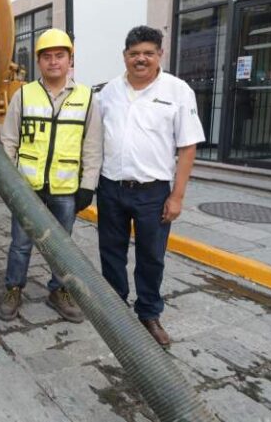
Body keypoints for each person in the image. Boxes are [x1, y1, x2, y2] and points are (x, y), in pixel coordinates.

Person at [97, 26, 204, 347]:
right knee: (111, 252)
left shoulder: (178, 91)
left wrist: (177, 196)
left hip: (153, 192)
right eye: (134, 54)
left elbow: (188, 147)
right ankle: (116, 307)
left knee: (152, 256)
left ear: (160, 54)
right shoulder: (108, 92)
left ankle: (149, 313)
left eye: (148, 53)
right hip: (111, 187)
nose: (140, 59)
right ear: (124, 56)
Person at [0, 28, 102, 323]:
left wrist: (88, 186)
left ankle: (59, 291)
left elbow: (92, 146)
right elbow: (9, 141)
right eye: (47, 56)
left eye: (59, 55)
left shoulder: (86, 98)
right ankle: (13, 289)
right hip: (27, 189)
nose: (53, 61)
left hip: (65, 188)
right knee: (20, 244)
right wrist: (11, 184)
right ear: (38, 61)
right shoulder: (24, 95)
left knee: (61, 246)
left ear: (70, 60)